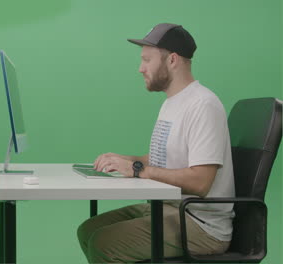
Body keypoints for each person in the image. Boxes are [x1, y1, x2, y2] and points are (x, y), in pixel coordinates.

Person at [77, 23, 235, 263]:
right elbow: (167, 160)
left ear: (172, 60)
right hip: (169, 208)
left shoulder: (203, 105)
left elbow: (200, 182)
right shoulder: (172, 103)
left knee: (103, 243)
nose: (140, 69)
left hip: (201, 224)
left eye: (147, 60)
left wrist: (138, 170)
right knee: (88, 230)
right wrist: (128, 160)